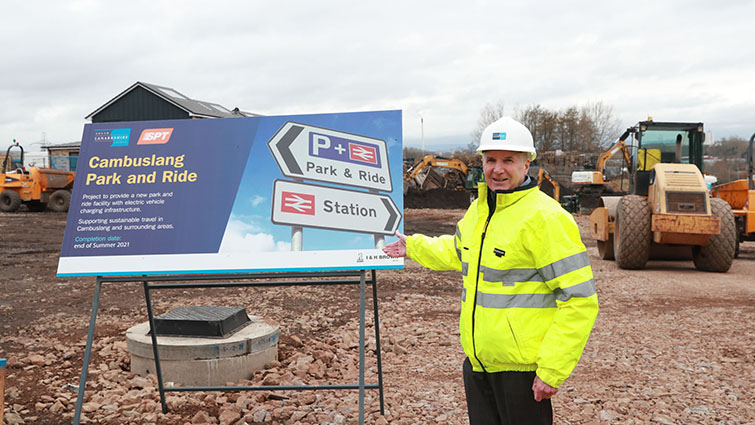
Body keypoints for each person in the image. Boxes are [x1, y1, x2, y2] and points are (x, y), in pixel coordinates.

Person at [383, 116, 599, 425]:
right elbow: (457, 251)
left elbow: (579, 300)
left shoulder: (547, 218)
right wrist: (413, 247)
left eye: (508, 160)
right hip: (479, 363)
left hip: (522, 372)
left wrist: (552, 369)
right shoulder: (480, 209)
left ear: (527, 164)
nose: (497, 169)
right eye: (490, 160)